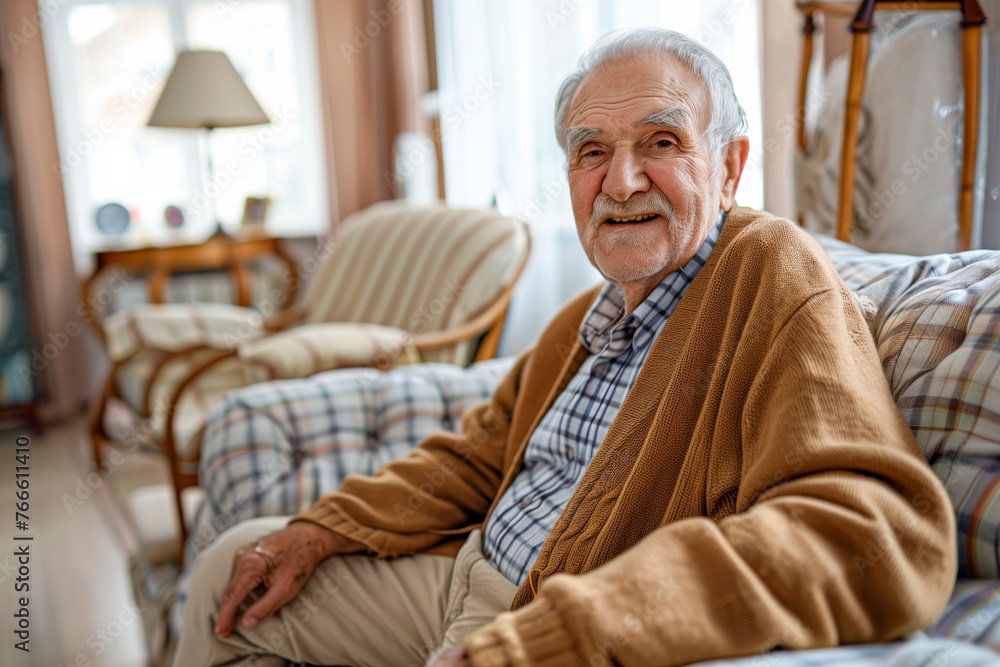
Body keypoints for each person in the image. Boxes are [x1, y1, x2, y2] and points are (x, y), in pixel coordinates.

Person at [174, 27, 956, 667]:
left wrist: (559, 634)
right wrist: (324, 528)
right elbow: (478, 453)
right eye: (591, 151)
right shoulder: (587, 315)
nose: (620, 182)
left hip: (564, 622)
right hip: (464, 574)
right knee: (231, 570)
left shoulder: (770, 272)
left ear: (729, 165)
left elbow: (865, 533)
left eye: (660, 141)